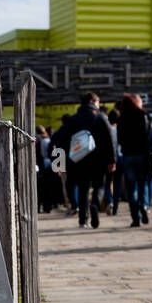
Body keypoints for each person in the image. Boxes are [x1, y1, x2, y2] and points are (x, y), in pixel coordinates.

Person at [52, 92, 115, 229]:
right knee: (99, 185)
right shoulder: (100, 117)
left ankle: (83, 220)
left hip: (79, 161)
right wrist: (112, 160)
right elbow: (109, 140)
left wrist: (63, 161)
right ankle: (95, 206)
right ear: (92, 101)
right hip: (99, 160)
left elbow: (60, 140)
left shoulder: (73, 119)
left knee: (83, 189)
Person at [117, 93, 151, 226]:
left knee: (131, 188)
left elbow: (120, 139)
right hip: (142, 154)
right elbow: (147, 136)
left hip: (128, 155)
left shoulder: (122, 118)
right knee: (143, 184)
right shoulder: (143, 115)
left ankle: (135, 218)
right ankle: (144, 205)